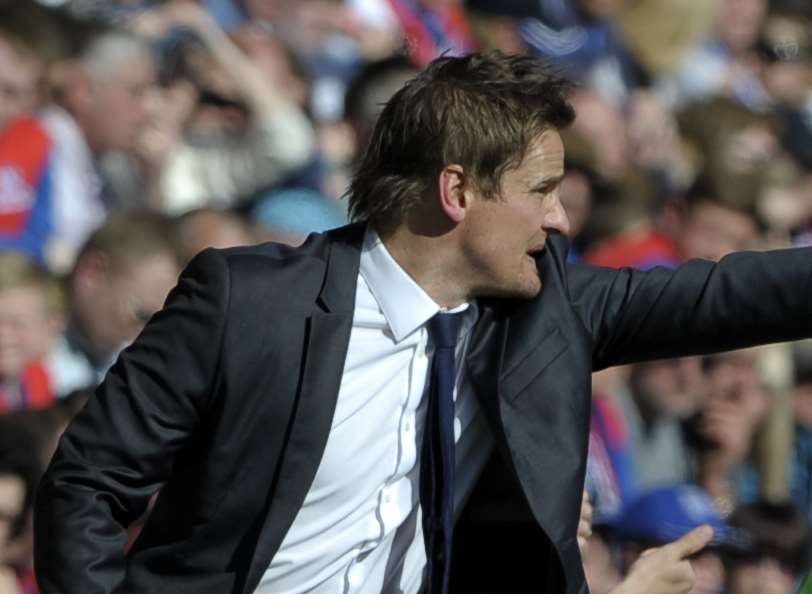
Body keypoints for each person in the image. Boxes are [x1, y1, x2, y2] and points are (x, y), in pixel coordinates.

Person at [34, 51, 812, 594]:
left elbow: (728, 295)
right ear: (457, 191)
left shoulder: (548, 310)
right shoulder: (249, 303)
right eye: (541, 189)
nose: (561, 217)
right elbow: (86, 484)